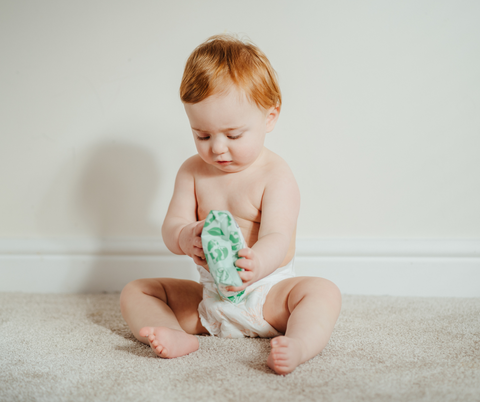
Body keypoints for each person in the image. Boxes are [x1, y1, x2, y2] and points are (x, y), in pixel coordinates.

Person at [120, 34, 342, 375]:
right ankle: (178, 336)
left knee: (322, 293)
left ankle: (298, 344)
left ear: (269, 118)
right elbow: (172, 225)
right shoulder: (192, 172)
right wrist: (184, 236)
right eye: (202, 135)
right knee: (137, 291)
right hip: (210, 301)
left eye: (234, 135)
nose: (218, 149)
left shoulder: (276, 174)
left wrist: (257, 262)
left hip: (266, 295)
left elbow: (279, 238)